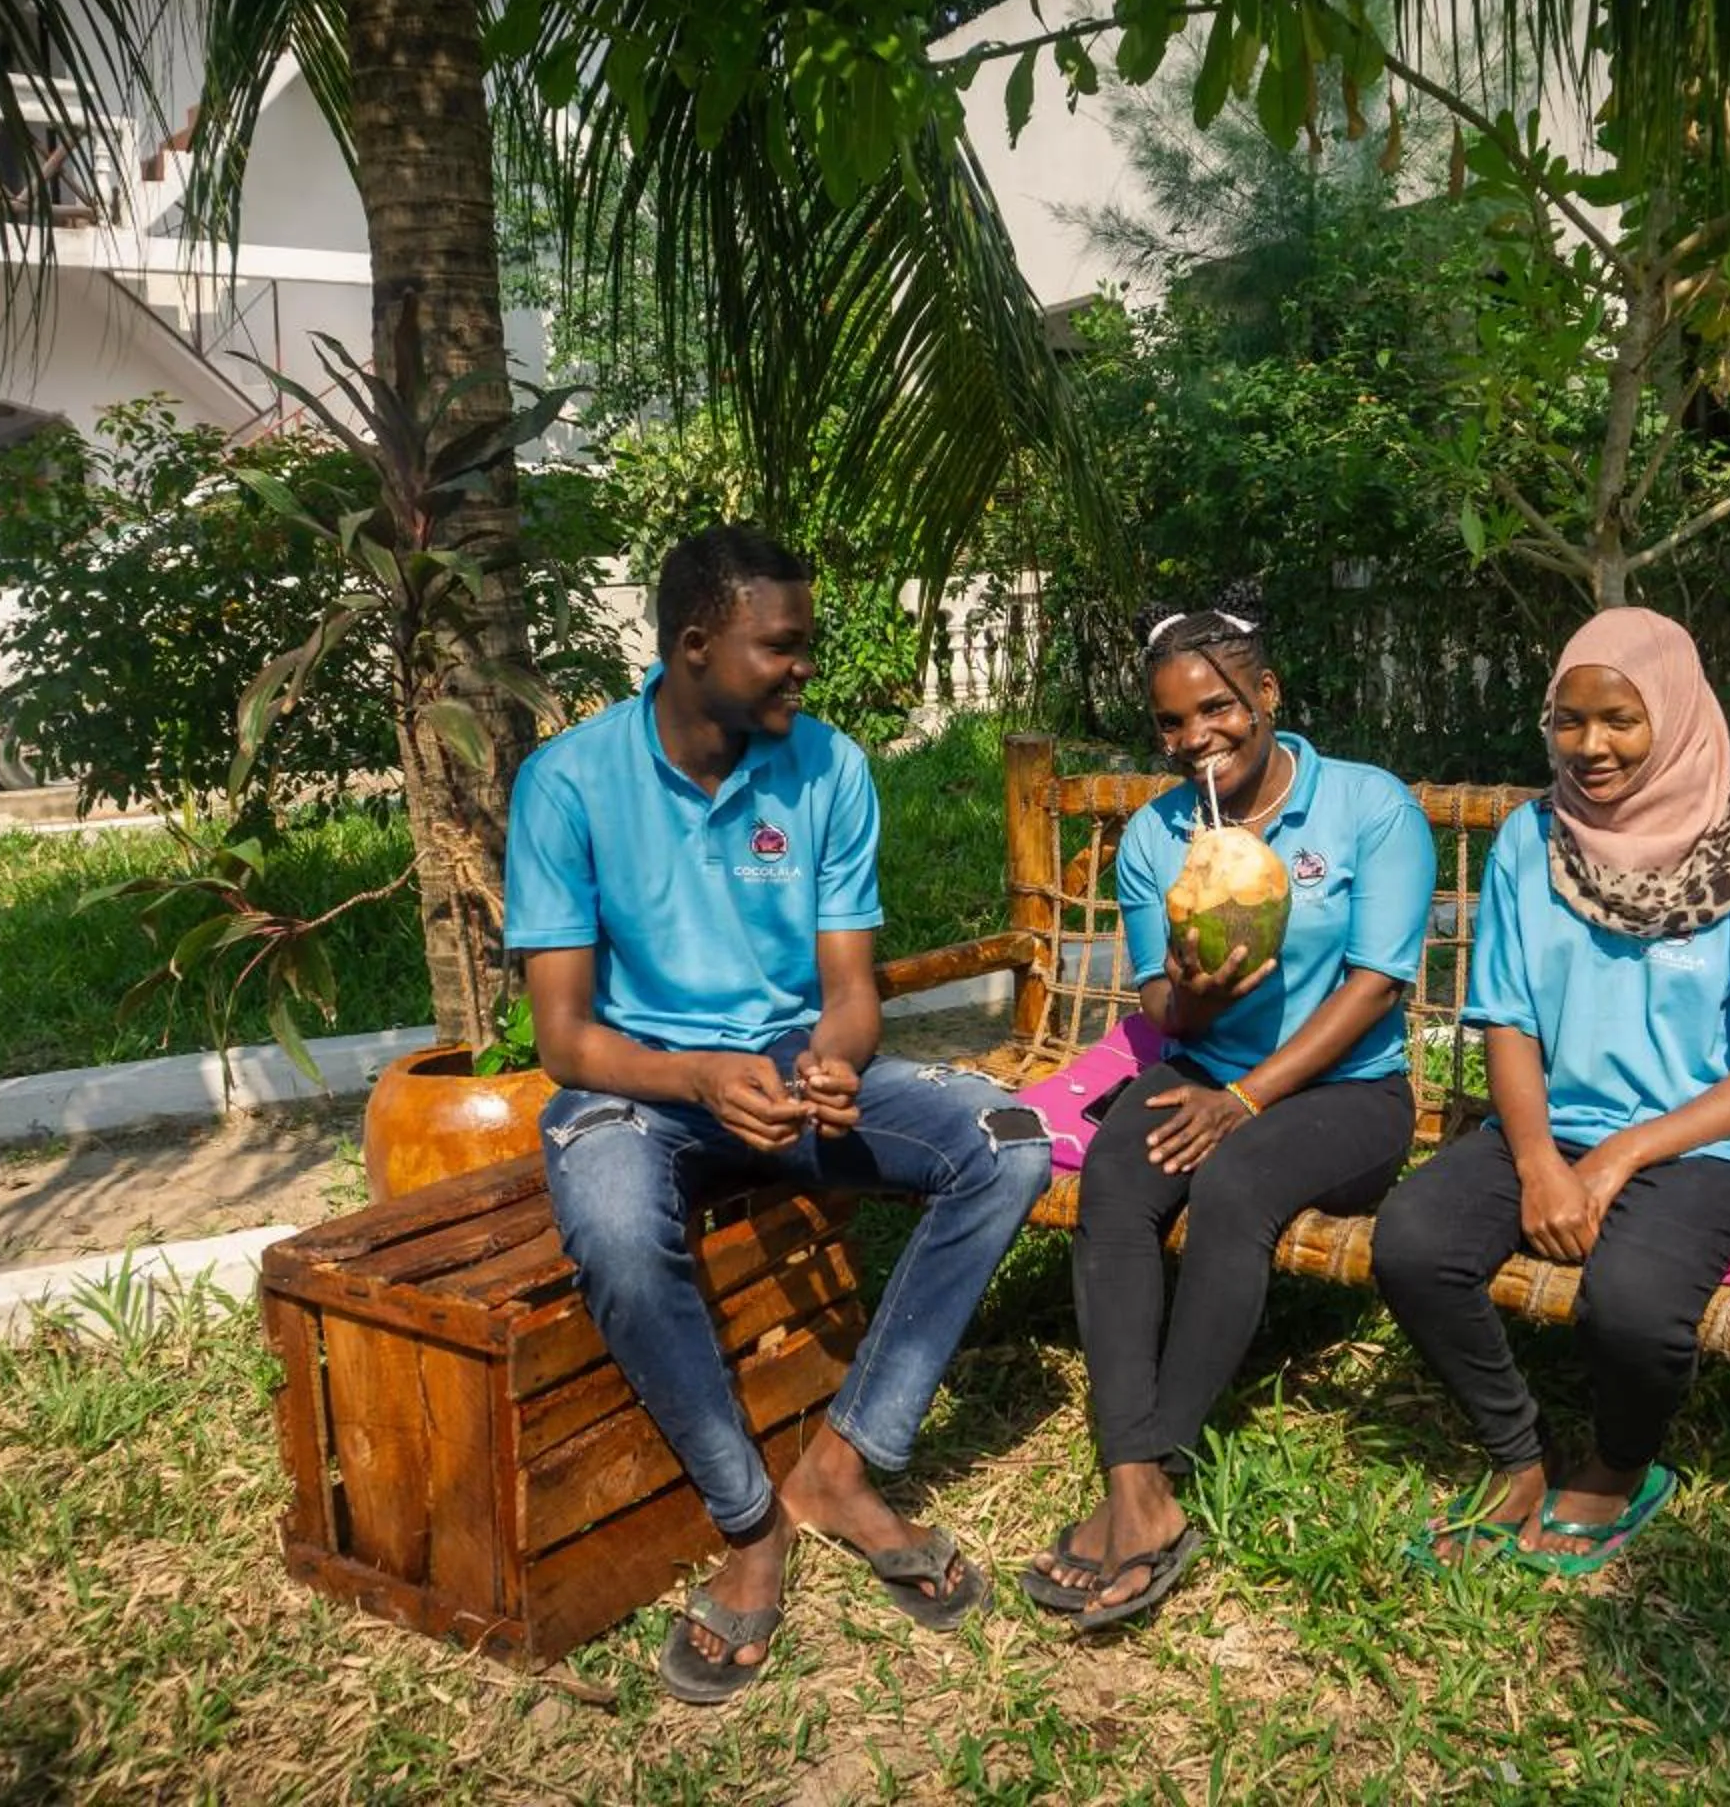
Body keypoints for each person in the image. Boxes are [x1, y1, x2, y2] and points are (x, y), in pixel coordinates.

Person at [507, 525, 1052, 1703]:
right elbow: (564, 1038)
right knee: (610, 1224)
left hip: (785, 1074)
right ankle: (749, 1519)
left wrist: (835, 1062)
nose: (805, 667)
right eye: (783, 646)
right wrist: (698, 1076)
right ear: (696, 644)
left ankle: (844, 1465)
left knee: (1012, 1141)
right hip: (635, 1089)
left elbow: (852, 993)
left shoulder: (828, 768)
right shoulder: (568, 781)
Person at [1372, 606, 1730, 1576]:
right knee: (1412, 1241)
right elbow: (1509, 1017)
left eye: (1619, 718)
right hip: (1555, 1121)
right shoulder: (1531, 842)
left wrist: (1620, 1156)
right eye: (1568, 720)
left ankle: (1620, 1466)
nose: (1591, 745)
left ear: (1672, 713)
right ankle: (1515, 1453)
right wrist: (1540, 1160)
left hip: (1709, 1141)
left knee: (1627, 1299)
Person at [1024, 590, 1438, 1629]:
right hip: (1199, 1067)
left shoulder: (1367, 807)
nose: (1194, 738)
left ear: (1266, 693)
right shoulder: (1159, 836)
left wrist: (1244, 1098)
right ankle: (1139, 1485)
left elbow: (1374, 985)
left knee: (1237, 1179)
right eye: (1170, 722)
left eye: (1215, 708)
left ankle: (1152, 1461)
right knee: (1115, 1176)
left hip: (1348, 1092)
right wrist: (1193, 996)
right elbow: (1158, 1002)